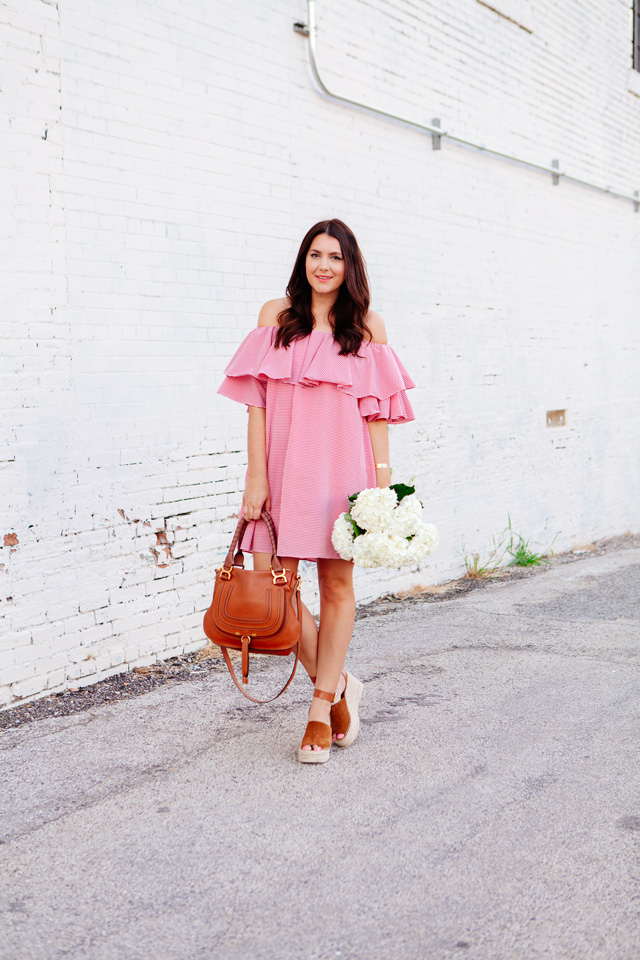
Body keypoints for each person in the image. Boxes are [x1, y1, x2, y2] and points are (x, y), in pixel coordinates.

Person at [217, 219, 415, 763]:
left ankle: (319, 708)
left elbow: (377, 416)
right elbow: (256, 407)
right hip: (280, 472)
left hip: (341, 474)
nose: (323, 265)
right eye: (314, 255)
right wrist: (255, 478)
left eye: (335, 257)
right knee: (269, 584)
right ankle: (339, 682)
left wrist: (381, 489)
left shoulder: (368, 328)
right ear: (303, 261)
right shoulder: (275, 318)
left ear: (350, 266)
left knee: (335, 588)